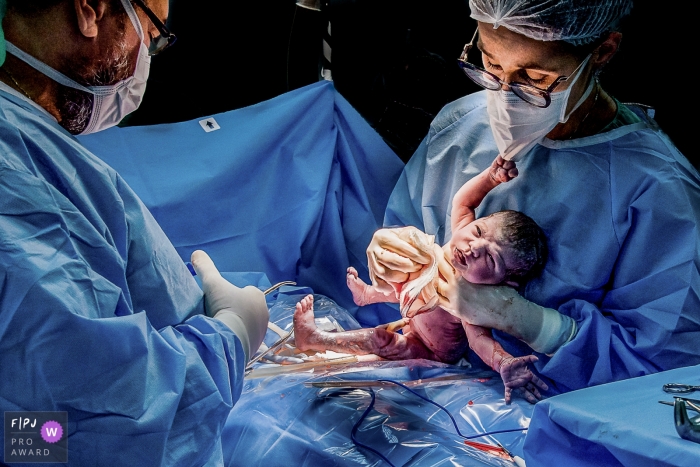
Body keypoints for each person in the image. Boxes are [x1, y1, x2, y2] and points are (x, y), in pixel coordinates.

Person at [368, 0, 700, 393]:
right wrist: (395, 263)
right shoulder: (461, 127)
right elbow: (403, 269)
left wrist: (539, 326)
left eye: (537, 79)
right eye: (491, 66)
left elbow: (668, 373)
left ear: (603, 51)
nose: (506, 97)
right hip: (428, 377)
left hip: (557, 417)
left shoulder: (657, 191)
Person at [0, 1, 269, 465]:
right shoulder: (16, 175)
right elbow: (75, 430)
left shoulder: (32, 145)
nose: (148, 54)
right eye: (152, 30)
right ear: (91, 9)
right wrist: (230, 338)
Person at [294, 155, 550, 403]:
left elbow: (481, 342)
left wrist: (504, 362)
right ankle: (371, 296)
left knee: (380, 342)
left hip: (430, 351)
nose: (473, 246)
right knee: (413, 276)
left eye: (491, 259)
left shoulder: (472, 303)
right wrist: (491, 178)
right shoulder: (461, 238)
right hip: (412, 315)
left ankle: (314, 340)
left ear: (504, 284)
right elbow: (464, 202)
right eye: (479, 231)